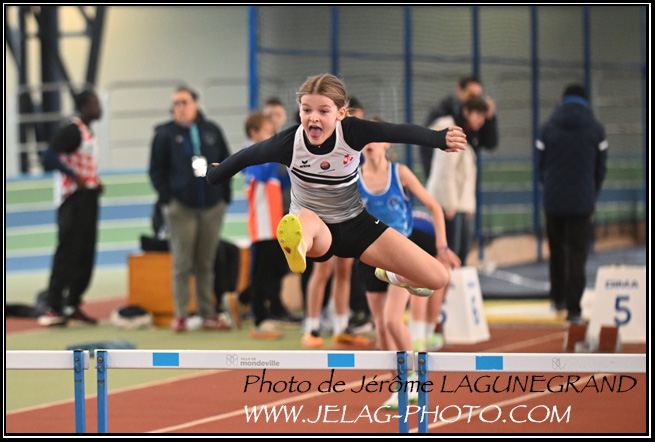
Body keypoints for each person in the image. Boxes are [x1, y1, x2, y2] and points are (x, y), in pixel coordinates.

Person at [206, 74, 467, 335]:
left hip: (357, 225)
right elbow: (249, 155)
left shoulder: (352, 131)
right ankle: (298, 245)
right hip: (320, 231)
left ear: (341, 113)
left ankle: (391, 275)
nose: (313, 118)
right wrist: (217, 173)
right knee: (305, 217)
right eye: (306, 110)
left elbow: (397, 132)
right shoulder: (290, 142)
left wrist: (437, 139)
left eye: (323, 111)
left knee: (438, 277)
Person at [356, 118, 460, 407]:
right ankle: (400, 386)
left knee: (392, 320)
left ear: (386, 142)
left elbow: (434, 206)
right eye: (364, 137)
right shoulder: (354, 178)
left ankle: (413, 377)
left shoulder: (399, 173)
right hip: (367, 256)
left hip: (398, 255)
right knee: (381, 328)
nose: (369, 142)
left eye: (375, 136)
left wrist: (441, 247)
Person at [149, 85, 233, 332]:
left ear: (196, 103)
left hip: (212, 207)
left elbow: (227, 162)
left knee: (206, 262)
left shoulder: (211, 130)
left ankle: (207, 313)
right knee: (182, 263)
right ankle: (181, 315)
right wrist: (168, 200)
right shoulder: (165, 134)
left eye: (184, 102)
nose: (180, 107)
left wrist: (224, 197)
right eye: (176, 103)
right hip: (181, 208)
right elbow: (156, 170)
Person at [300, 97, 369, 349]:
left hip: (348, 214)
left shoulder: (359, 150)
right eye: (354, 120)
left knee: (344, 270)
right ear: (341, 117)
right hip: (323, 214)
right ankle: (311, 328)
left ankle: (341, 328)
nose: (358, 127)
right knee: (323, 270)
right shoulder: (324, 143)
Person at [536, 84, 608, 324]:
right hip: (582, 201)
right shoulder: (596, 129)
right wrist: (591, 193)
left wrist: (548, 187)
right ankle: (574, 309)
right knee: (578, 254)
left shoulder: (548, 127)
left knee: (557, 250)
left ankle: (557, 299)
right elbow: (601, 168)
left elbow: (539, 164)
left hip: (553, 200)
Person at [37, 90, 104, 326]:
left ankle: (72, 303)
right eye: (95, 104)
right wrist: (73, 176)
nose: (99, 108)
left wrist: (94, 181)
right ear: (83, 107)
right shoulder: (72, 130)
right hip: (72, 199)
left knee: (85, 253)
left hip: (88, 198)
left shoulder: (88, 132)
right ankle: (53, 306)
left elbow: (82, 162)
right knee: (68, 253)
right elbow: (49, 155)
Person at [425, 96, 490, 265]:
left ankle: (454, 281)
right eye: (478, 115)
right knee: (451, 253)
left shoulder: (469, 135)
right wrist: (450, 204)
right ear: (466, 112)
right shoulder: (453, 132)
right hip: (448, 205)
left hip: (459, 205)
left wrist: (469, 205)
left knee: (461, 252)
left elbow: (466, 176)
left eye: (483, 117)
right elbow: (445, 172)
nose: (481, 121)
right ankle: (446, 282)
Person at [242, 112, 289, 340]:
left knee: (278, 269)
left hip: (273, 223)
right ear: (254, 133)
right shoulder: (251, 156)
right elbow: (261, 174)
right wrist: (276, 154)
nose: (272, 137)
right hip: (261, 226)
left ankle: (244, 300)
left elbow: (280, 182)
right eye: (268, 132)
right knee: (261, 275)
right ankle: (259, 319)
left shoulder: (265, 158)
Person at [419, 75, 498, 179]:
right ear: (459, 90)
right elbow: (428, 142)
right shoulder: (444, 113)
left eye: (477, 95)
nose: (475, 99)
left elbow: (490, 143)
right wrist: (434, 176)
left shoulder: (475, 119)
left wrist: (490, 119)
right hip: (443, 176)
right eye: (471, 95)